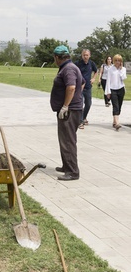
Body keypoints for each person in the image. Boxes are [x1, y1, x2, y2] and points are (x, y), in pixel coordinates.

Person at [50, 45, 84, 181]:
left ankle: (72, 172)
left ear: (58, 57)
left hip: (69, 111)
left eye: (55, 58)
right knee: (64, 139)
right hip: (72, 109)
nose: (55, 60)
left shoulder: (69, 69)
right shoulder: (70, 67)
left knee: (68, 141)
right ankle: (66, 165)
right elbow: (83, 83)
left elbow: (71, 87)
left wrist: (66, 106)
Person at [75, 49, 97, 129]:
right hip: (79, 87)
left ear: (89, 55)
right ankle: (80, 122)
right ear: (82, 55)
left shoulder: (91, 64)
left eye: (87, 55)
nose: (85, 56)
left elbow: (96, 71)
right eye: (84, 55)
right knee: (80, 104)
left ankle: (83, 117)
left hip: (88, 87)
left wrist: (94, 78)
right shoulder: (77, 63)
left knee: (88, 104)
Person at [105, 54, 127, 131]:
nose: (117, 62)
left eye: (119, 60)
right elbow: (108, 81)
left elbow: (123, 78)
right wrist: (108, 92)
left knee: (119, 106)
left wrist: (120, 70)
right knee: (115, 106)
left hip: (121, 89)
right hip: (112, 89)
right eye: (116, 60)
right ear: (114, 61)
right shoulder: (111, 69)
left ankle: (114, 121)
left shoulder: (123, 69)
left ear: (121, 61)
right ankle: (117, 123)